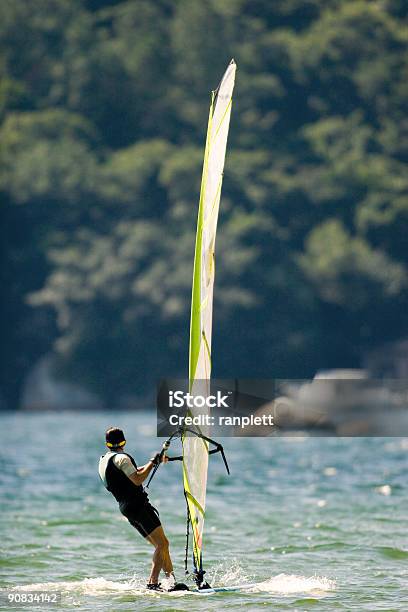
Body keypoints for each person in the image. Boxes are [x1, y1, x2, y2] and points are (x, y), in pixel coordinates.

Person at [98, 426, 188, 591]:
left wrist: (153, 462)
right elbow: (137, 479)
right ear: (124, 441)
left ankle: (171, 581)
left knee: (161, 545)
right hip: (138, 506)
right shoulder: (122, 458)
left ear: (107, 444)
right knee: (163, 544)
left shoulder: (105, 459)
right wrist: (153, 462)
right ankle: (152, 583)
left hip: (126, 508)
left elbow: (132, 473)